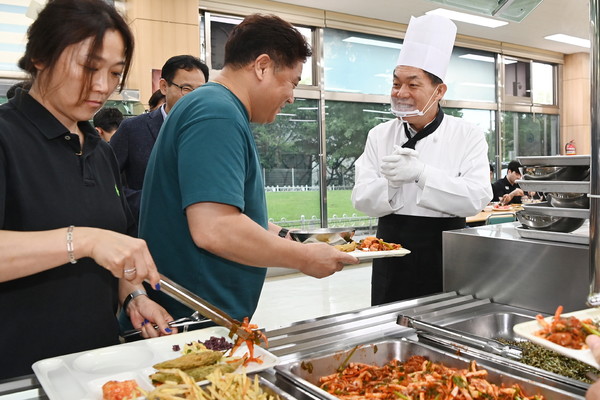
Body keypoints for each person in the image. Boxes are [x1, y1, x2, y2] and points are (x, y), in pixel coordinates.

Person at [139, 14, 359, 324]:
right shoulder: (217, 113)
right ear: (262, 66)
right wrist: (304, 258)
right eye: (292, 83)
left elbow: (225, 209)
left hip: (204, 309)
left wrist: (287, 236)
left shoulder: (215, 107)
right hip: (194, 315)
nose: (292, 97)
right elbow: (214, 228)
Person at [0, 0, 175, 379]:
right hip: (20, 375)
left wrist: (133, 295)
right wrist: (81, 241)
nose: (102, 86)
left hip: (98, 368)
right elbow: (93, 241)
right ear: (40, 57)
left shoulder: (98, 148)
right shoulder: (5, 136)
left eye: (114, 73)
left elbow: (115, 241)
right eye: (88, 67)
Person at [351, 14, 492, 306]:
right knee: (389, 326)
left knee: (446, 327)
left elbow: (477, 198)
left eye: (412, 85)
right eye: (396, 84)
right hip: (389, 249)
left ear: (439, 91)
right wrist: (390, 185)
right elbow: (361, 199)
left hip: (446, 249)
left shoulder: (467, 134)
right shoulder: (379, 134)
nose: (401, 93)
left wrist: (422, 174)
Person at [110, 55, 209, 221]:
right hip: (145, 230)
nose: (194, 98)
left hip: (195, 234)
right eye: (186, 89)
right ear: (164, 86)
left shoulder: (208, 133)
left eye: (200, 91)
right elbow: (104, 179)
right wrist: (143, 203)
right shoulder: (132, 129)